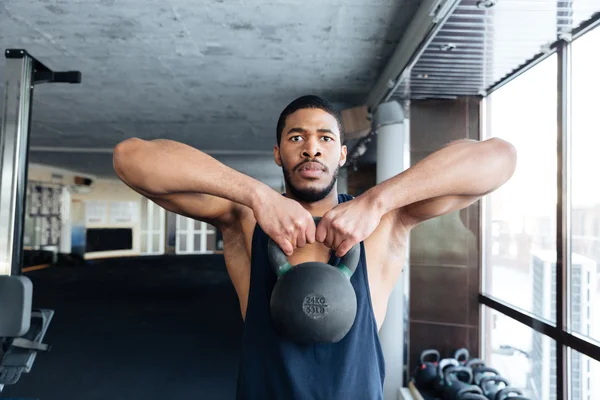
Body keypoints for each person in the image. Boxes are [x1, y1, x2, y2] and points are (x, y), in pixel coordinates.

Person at [112, 95, 517, 399]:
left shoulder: (384, 221)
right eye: (296, 137)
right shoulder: (244, 218)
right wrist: (256, 195)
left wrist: (376, 201)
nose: (311, 148)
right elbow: (130, 158)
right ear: (278, 153)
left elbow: (499, 157)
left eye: (325, 137)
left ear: (341, 154)